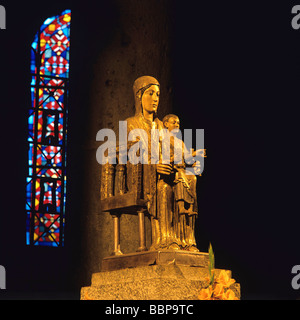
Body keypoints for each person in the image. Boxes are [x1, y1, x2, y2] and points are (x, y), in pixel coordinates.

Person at [162, 114, 201, 251]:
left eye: (178, 123)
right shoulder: (163, 141)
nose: (177, 125)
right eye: (174, 122)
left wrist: (194, 161)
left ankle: (189, 208)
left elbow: (188, 159)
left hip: (182, 169)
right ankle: (180, 206)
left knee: (193, 178)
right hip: (172, 171)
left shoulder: (180, 143)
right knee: (180, 176)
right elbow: (166, 158)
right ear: (166, 124)